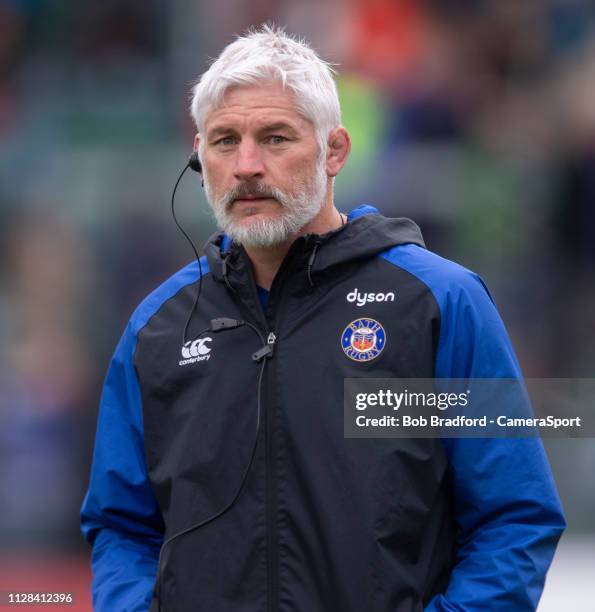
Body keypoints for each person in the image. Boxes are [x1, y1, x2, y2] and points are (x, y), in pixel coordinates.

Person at [80, 24, 565, 612]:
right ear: (198, 157)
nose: (247, 166)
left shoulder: (438, 302)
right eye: (224, 141)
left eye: (276, 138)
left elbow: (511, 518)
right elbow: (121, 528)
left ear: (335, 150)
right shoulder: (157, 327)